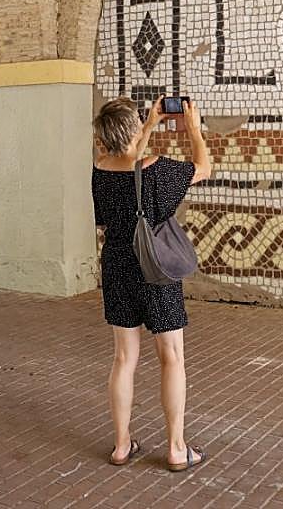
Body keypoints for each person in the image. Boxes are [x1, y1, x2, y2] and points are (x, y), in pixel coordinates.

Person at [91, 95, 213, 472]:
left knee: (123, 359)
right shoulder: (157, 170)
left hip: (117, 266)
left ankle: (122, 445)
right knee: (170, 357)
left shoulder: (100, 170)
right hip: (155, 268)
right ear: (132, 129)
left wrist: (147, 125)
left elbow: (127, 160)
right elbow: (204, 167)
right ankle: (176, 448)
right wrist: (191, 126)